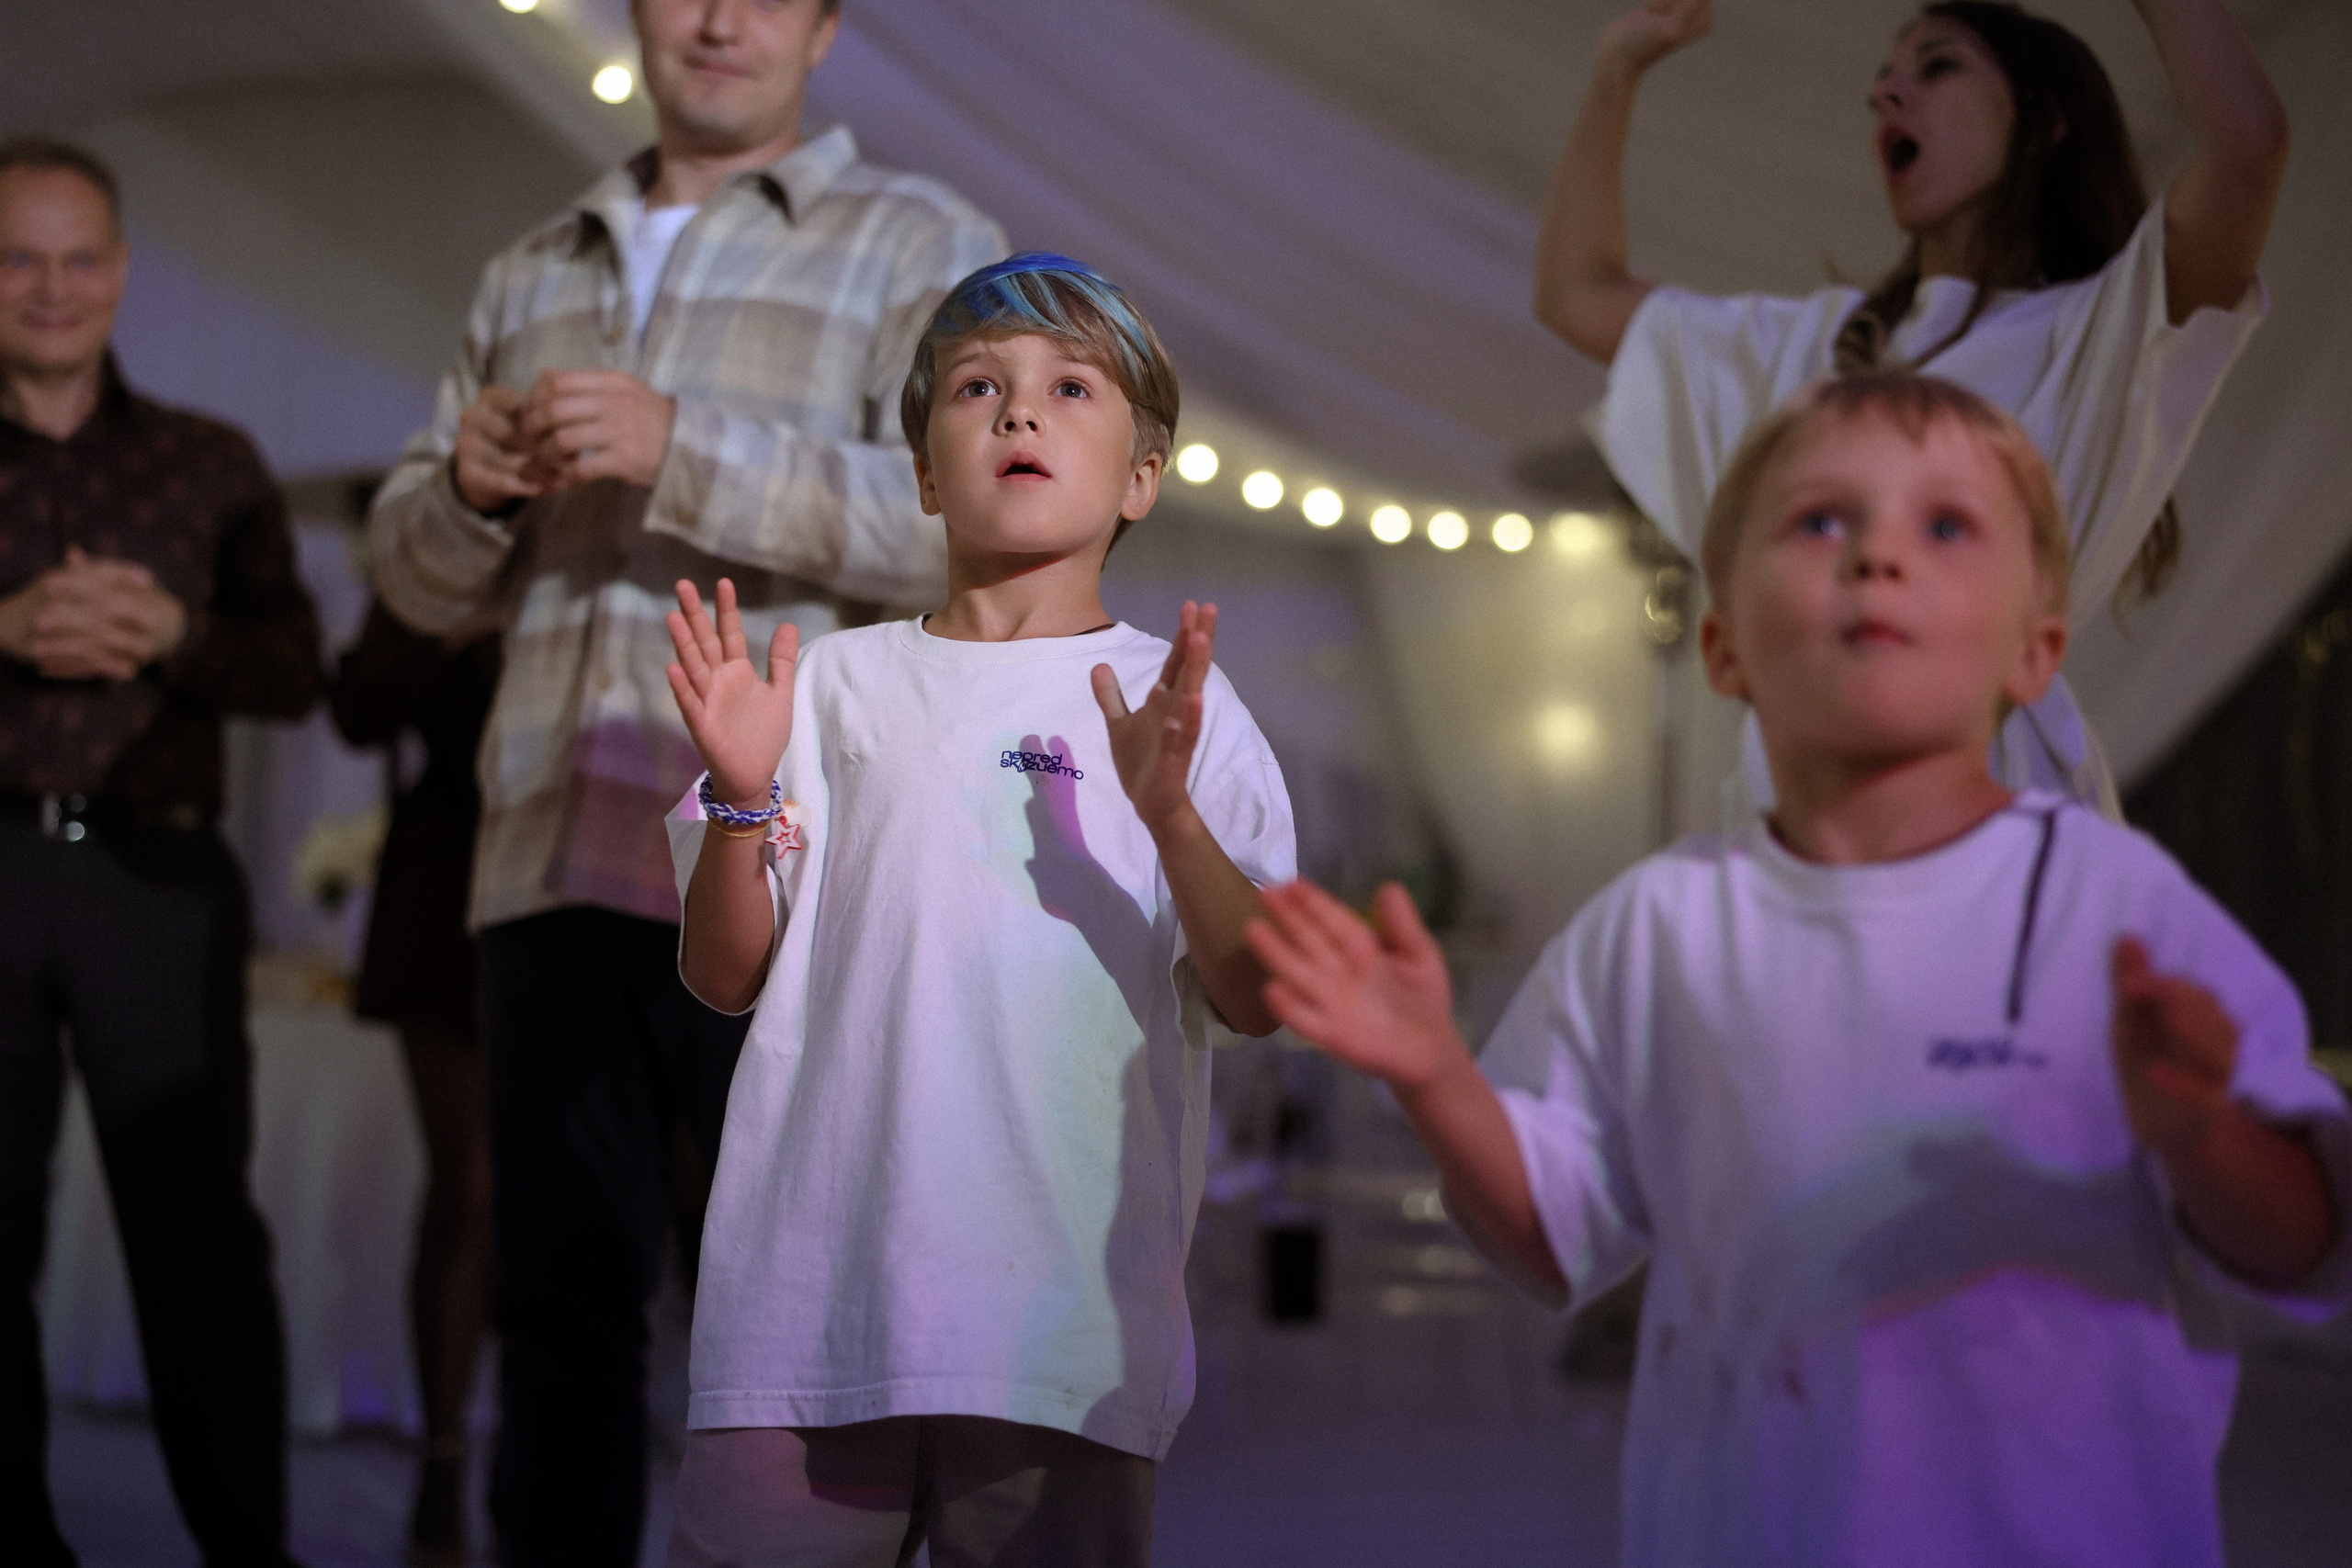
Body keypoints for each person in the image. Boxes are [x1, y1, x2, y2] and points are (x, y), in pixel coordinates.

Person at [1249, 372, 2350, 1568]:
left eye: (1945, 525)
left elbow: (2305, 1240)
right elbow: (1548, 1238)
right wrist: (1436, 1074)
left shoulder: (2120, 909)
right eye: (1823, 518)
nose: (1878, 554)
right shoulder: (1658, 926)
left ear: (2035, 650)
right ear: (1723, 644)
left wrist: (2201, 1130)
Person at [362, 0, 1006, 1556]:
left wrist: (682, 447)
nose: (720, 19)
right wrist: (465, 485)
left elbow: (972, 520)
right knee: (558, 1324)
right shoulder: (537, 262)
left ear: (828, 25)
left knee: (799, 1332)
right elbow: (411, 574)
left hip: (786, 861)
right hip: (546, 851)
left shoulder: (921, 239)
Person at [659, 254, 1295, 1564]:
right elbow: (725, 974)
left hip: (1060, 1333)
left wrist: (1171, 817)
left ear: (1140, 475)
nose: (1019, 412)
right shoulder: (828, 685)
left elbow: (1256, 992)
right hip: (803, 1319)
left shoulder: (1182, 706)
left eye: (1070, 386)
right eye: (976, 387)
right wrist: (736, 793)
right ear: (920, 469)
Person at [1535, 0, 2288, 817]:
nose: (1890, 97)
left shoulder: (2098, 334)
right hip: (1795, 832)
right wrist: (1618, 66)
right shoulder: (1818, 347)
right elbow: (1577, 293)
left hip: (1994, 836)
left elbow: (2249, 145)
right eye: (1881, 88)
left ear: (2045, 122)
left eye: (1936, 67)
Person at [0, 137, 323, 1566]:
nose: (51, 288)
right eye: (17, 258)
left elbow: (300, 670)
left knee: (199, 1245)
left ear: (120, 271)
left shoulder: (215, 463)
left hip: (160, 883)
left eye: (78, 258)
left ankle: (244, 1546)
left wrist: (176, 636)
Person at [328, 600, 500, 1568]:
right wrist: (447, 632)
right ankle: (441, 1460)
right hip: (447, 892)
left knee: (567, 1200)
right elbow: (354, 705)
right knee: (469, 1189)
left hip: (600, 886)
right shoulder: (445, 536)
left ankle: (534, 1453)